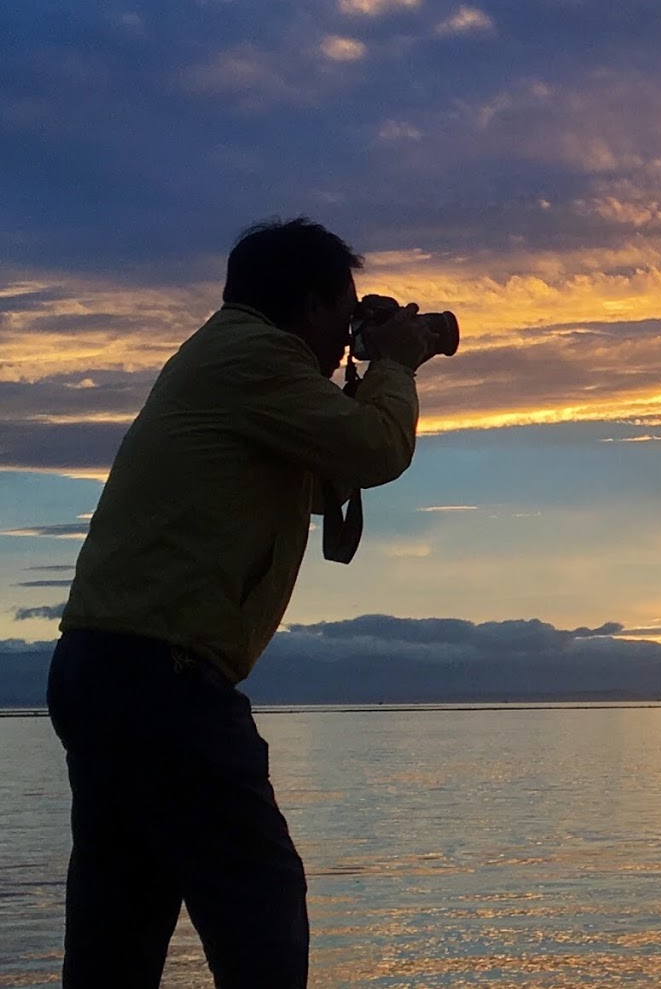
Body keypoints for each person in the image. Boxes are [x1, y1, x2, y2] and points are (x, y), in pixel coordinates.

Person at [47, 217, 438, 989]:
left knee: (121, 920)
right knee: (259, 904)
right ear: (313, 305)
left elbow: (327, 481)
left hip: (105, 671)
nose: (343, 337)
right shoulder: (255, 357)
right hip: (165, 677)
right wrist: (395, 365)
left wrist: (359, 375)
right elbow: (375, 450)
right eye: (346, 313)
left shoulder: (225, 360)